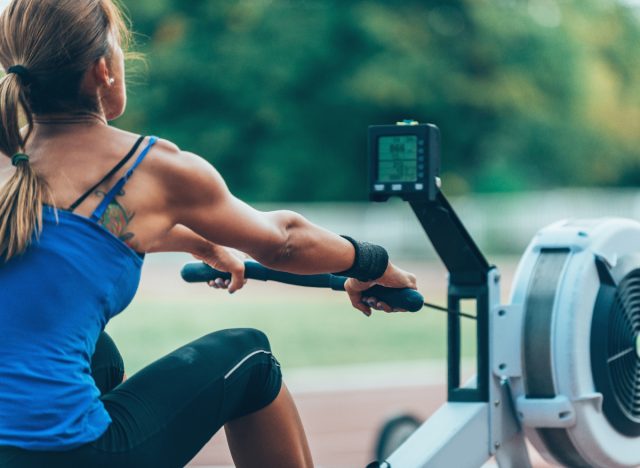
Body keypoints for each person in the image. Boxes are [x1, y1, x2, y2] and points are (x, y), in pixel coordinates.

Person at [0, 1, 417, 467]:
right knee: (251, 359)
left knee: (102, 358)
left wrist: (203, 243)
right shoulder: (143, 168)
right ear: (103, 70)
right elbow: (283, 241)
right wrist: (373, 265)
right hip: (69, 453)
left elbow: (73, 239)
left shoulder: (11, 170)